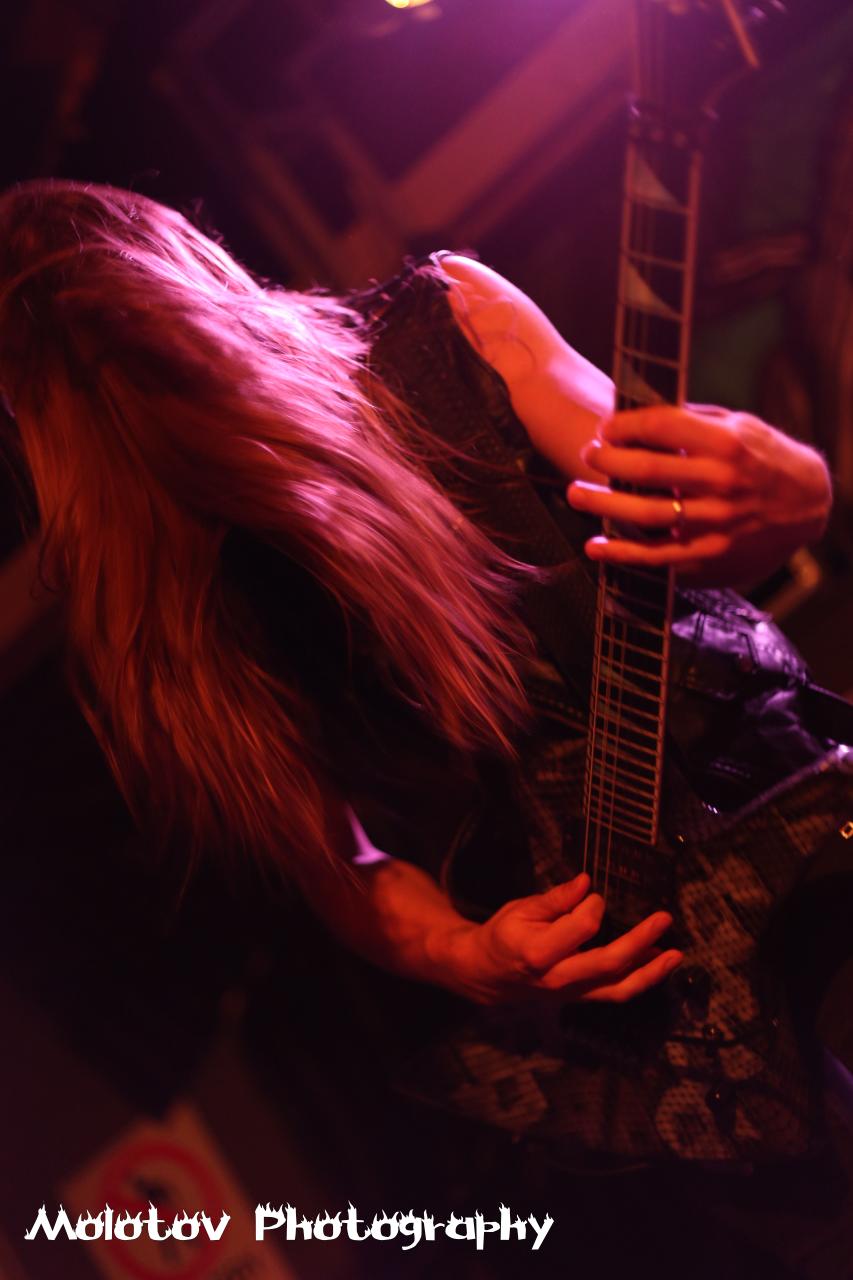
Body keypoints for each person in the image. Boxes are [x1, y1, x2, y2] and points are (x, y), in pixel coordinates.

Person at [0, 179, 849, 1275]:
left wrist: (792, 489)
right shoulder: (171, 629)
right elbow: (339, 868)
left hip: (795, 817)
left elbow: (654, 494)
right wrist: (469, 952)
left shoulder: (446, 325)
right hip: (663, 1017)